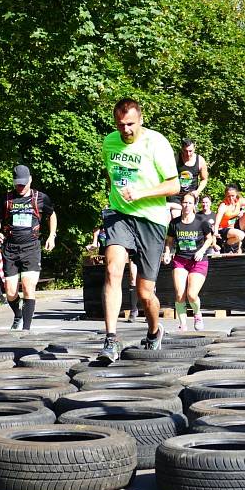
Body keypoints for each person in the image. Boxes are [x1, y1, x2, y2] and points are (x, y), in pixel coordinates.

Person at [98, 98, 179, 363]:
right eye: (120, 125)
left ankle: (155, 331)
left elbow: (174, 186)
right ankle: (110, 340)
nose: (126, 130)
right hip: (119, 215)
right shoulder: (109, 142)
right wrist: (118, 199)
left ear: (141, 120)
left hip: (152, 220)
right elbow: (112, 176)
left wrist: (141, 193)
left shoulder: (157, 143)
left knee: (145, 293)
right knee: (112, 270)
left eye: (130, 124)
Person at [0, 165, 57, 331]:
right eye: (17, 184)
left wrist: (52, 235)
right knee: (10, 291)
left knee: (29, 286)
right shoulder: (6, 199)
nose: (20, 187)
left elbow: (52, 215)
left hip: (31, 248)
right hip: (11, 248)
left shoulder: (40, 198)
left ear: (30, 180)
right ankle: (18, 315)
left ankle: (26, 329)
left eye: (23, 184)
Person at [163, 192, 214, 331]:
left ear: (194, 205)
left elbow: (210, 239)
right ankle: (183, 323)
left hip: (198, 261)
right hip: (180, 260)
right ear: (181, 204)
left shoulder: (201, 221)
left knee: (191, 295)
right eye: (185, 202)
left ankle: (197, 315)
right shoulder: (175, 223)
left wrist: (202, 250)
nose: (186, 205)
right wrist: (167, 253)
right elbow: (169, 241)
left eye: (190, 203)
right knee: (180, 294)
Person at [87, 211, 140, 323]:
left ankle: (133, 309)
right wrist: (91, 247)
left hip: (126, 253)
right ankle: (111, 313)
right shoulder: (98, 230)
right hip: (108, 257)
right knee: (111, 280)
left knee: (133, 277)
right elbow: (95, 244)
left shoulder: (120, 224)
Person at [167, 139, 208, 219]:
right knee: (176, 215)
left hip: (191, 194)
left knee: (189, 217)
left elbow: (204, 179)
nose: (188, 154)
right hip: (176, 194)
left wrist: (198, 191)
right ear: (182, 149)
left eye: (190, 151)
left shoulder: (200, 161)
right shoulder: (175, 159)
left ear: (194, 149)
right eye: (185, 151)